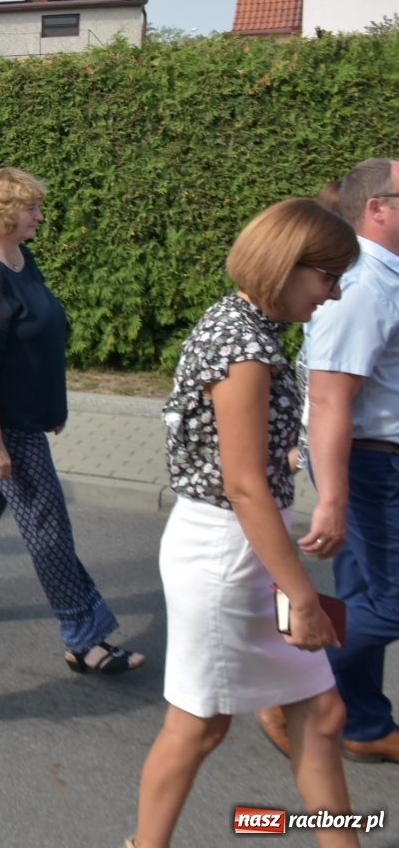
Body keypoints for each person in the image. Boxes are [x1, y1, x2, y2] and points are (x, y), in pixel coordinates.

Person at [131, 199, 357, 848]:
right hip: (227, 557)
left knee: (320, 712)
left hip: (244, 547)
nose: (334, 293)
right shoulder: (245, 345)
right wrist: (302, 596)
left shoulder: (244, 326)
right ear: (289, 265)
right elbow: (243, 485)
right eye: (329, 277)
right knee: (199, 724)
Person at [0, 168, 144, 673]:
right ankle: (84, 637)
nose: (39, 215)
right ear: (6, 213)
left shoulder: (16, 256)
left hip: (23, 420)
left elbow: (34, 335)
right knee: (48, 528)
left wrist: (48, 406)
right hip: (5, 429)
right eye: (31, 208)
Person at [263, 158, 399, 765]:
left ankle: (364, 723)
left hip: (374, 461)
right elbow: (328, 397)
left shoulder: (383, 276)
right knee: (389, 604)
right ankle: (284, 682)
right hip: (373, 465)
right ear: (378, 207)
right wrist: (335, 499)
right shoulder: (364, 285)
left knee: (363, 597)